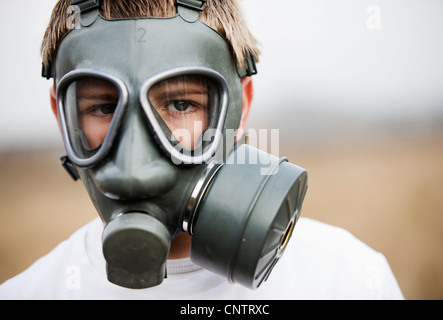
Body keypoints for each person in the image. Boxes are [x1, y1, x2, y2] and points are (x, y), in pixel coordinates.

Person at [0, 0, 403, 300]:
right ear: (62, 117)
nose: (136, 160)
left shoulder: (345, 279)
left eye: (180, 104)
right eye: (105, 107)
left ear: (239, 107)